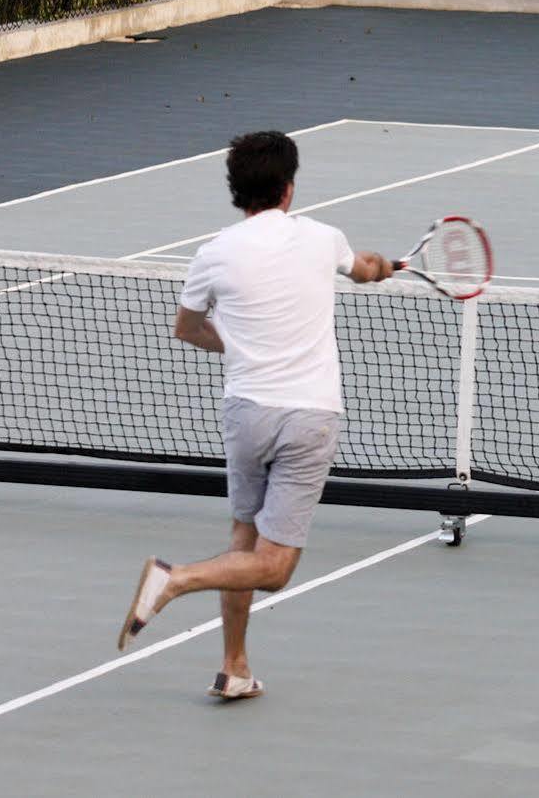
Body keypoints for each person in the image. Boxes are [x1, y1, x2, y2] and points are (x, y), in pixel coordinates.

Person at [116, 130, 392, 699]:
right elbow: (363, 268)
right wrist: (383, 266)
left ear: (237, 192)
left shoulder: (213, 252)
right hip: (308, 418)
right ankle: (177, 579)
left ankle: (235, 666)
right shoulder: (322, 238)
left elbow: (187, 328)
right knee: (274, 567)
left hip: (246, 416)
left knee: (244, 539)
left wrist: (236, 347)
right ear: (289, 189)